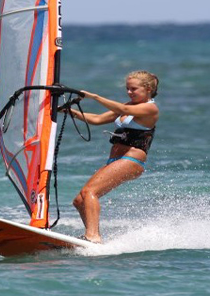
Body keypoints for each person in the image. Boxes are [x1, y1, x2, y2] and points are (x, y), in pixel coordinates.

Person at [64, 70, 160, 243]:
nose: (129, 92)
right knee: (79, 200)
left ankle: (93, 237)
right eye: (128, 89)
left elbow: (122, 109)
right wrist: (69, 111)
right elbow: (97, 119)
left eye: (133, 89)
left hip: (131, 160)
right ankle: (93, 236)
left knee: (90, 192)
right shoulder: (128, 106)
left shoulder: (149, 108)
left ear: (147, 89)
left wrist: (94, 97)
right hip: (115, 160)